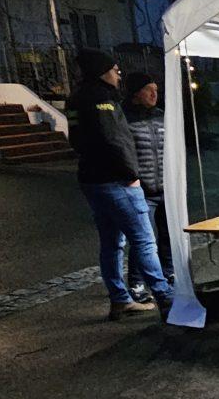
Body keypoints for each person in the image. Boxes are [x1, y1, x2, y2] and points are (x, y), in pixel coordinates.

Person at [69, 49, 173, 321]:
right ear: (102, 72)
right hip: (115, 181)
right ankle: (166, 299)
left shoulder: (77, 99)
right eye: (115, 70)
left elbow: (77, 140)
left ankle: (120, 299)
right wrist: (130, 174)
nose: (118, 75)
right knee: (144, 240)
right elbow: (113, 139)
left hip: (92, 180)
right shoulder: (102, 100)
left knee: (112, 243)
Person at [123, 72, 173, 303]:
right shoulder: (124, 118)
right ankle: (136, 282)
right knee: (144, 239)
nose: (154, 94)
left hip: (165, 187)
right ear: (136, 93)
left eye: (156, 90)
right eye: (148, 90)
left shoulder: (161, 116)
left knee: (167, 235)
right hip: (141, 190)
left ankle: (169, 273)